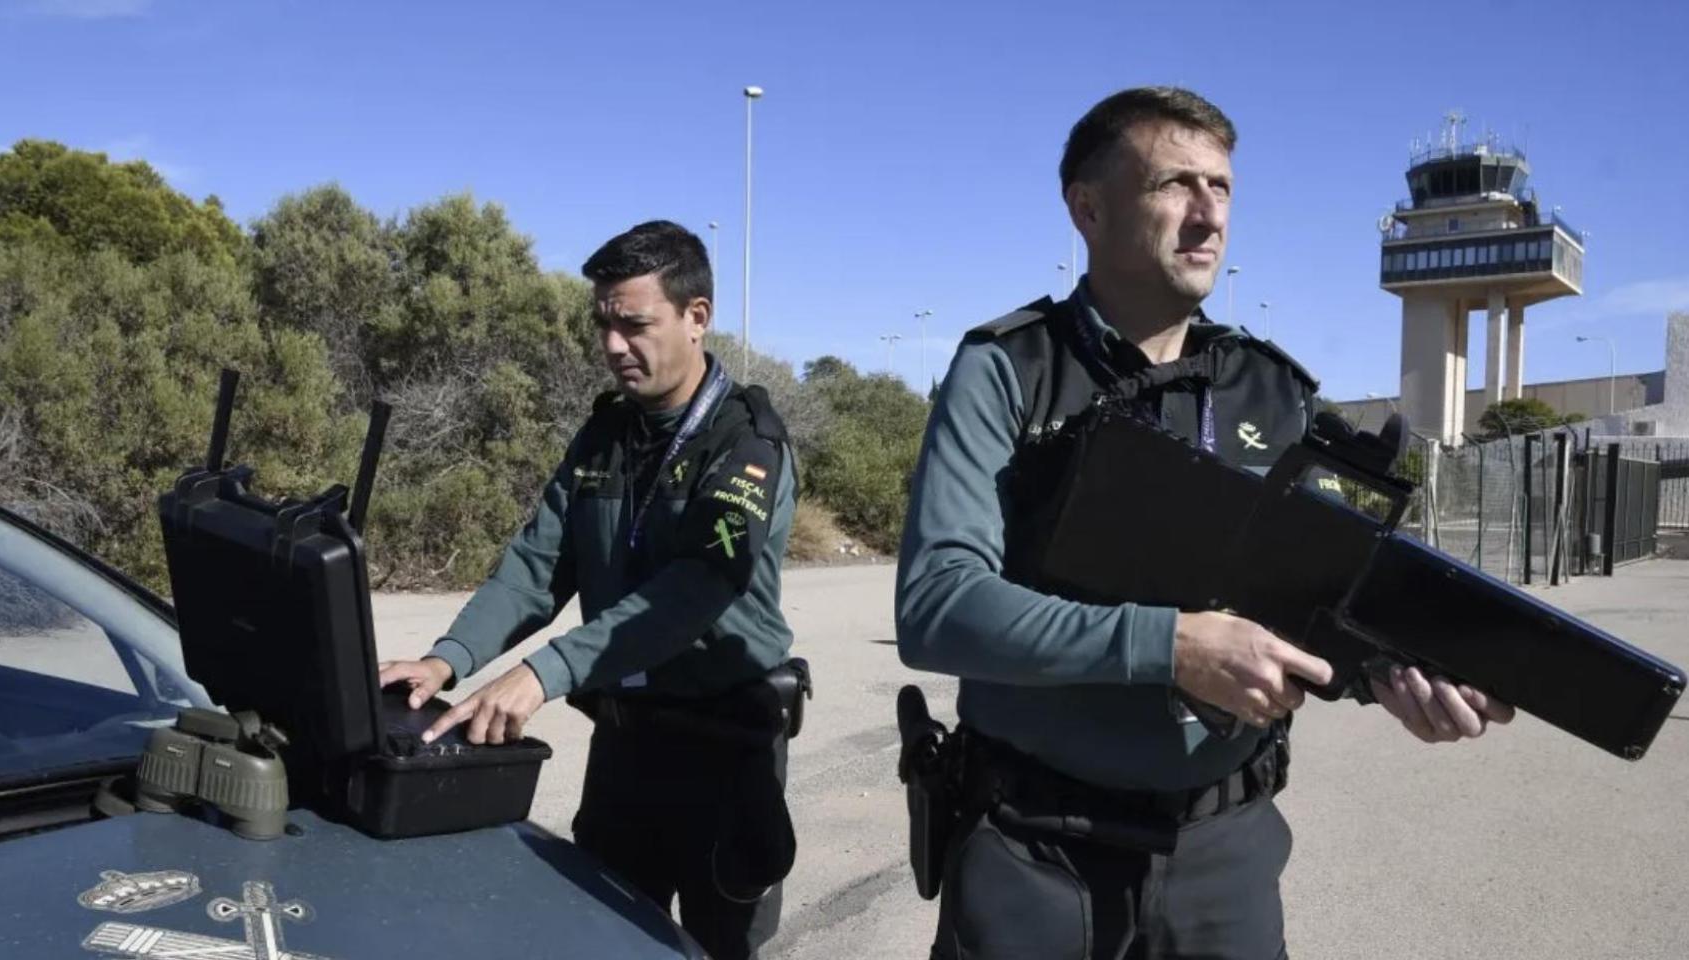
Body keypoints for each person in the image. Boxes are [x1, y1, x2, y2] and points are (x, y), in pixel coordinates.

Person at [894, 87, 1514, 959]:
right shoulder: (1009, 372)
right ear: (1088, 207)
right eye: (1175, 185)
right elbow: (937, 608)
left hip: (1226, 857)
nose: (1207, 215)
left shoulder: (1273, 391)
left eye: (1221, 188)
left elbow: (1329, 594)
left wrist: (1411, 672)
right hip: (1038, 853)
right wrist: (1172, 647)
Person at [380, 220, 804, 960]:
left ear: (695, 317)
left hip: (725, 754)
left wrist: (543, 672)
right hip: (626, 751)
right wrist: (446, 661)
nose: (612, 346)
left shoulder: (746, 444)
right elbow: (536, 566)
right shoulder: (605, 438)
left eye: (633, 324)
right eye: (602, 323)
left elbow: (699, 587)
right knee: (595, 941)